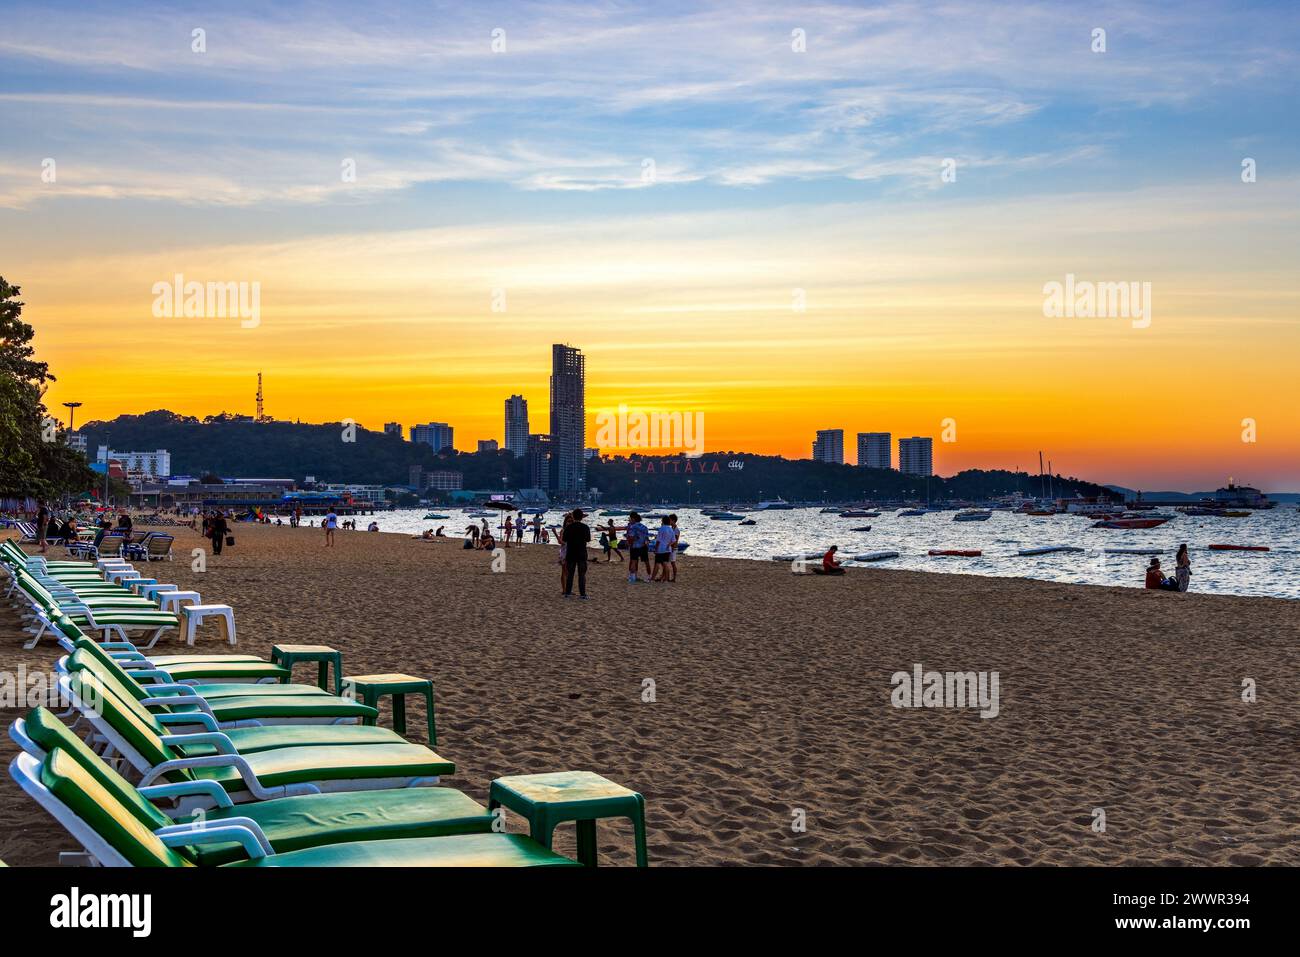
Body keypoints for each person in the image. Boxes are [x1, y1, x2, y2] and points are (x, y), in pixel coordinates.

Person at [562, 508, 592, 598]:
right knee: (582, 574)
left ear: (573, 516)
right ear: (582, 517)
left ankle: (568, 593)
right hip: (581, 553)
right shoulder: (585, 527)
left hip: (571, 552)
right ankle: (582, 594)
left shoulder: (569, 527)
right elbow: (588, 539)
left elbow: (564, 539)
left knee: (570, 574)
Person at [625, 512, 651, 583]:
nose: (630, 519)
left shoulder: (633, 527)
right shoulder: (645, 527)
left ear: (634, 519)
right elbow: (647, 538)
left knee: (633, 561)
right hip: (643, 546)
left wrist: (628, 542)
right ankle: (649, 576)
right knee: (646, 562)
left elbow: (631, 537)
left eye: (631, 518)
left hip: (635, 546)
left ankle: (633, 578)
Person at [652, 515, 675, 581]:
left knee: (657, 563)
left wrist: (655, 548)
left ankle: (652, 578)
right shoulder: (671, 529)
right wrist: (668, 545)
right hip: (668, 549)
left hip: (661, 549)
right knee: (665, 564)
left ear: (663, 521)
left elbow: (658, 540)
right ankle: (666, 579)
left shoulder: (661, 528)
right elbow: (673, 540)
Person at [668, 514, 681, 582]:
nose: (669, 521)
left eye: (669, 520)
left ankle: (674, 578)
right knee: (668, 562)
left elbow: (675, 540)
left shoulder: (676, 529)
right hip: (671, 547)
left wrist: (672, 548)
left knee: (673, 563)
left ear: (673, 520)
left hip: (673, 548)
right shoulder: (672, 528)